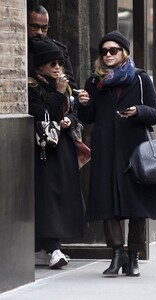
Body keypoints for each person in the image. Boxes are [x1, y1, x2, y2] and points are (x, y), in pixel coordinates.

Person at [77, 31, 156, 277]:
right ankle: (117, 254)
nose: (108, 55)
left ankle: (133, 256)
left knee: (137, 205)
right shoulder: (95, 82)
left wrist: (138, 111)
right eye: (104, 51)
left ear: (124, 52)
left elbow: (155, 113)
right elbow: (87, 119)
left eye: (113, 50)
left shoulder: (140, 80)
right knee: (108, 204)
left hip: (135, 150)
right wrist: (84, 104)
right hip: (107, 149)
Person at [28, 38, 85, 269]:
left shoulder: (66, 86)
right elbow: (43, 116)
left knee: (62, 198)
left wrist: (68, 119)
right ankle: (53, 248)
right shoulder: (32, 86)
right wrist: (59, 94)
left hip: (64, 149)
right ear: (40, 66)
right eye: (52, 63)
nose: (58, 67)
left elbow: (75, 113)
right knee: (48, 200)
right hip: (44, 152)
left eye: (60, 62)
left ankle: (47, 248)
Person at [27, 4, 77, 90]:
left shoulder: (59, 50)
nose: (39, 32)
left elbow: (71, 86)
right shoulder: (21, 51)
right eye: (35, 27)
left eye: (44, 28)